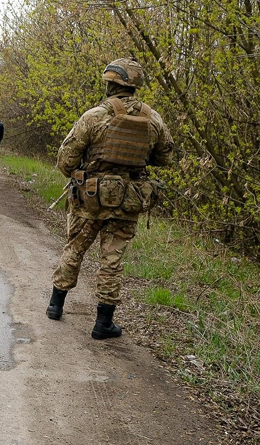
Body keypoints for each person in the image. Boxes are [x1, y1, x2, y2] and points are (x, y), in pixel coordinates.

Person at [47, 59, 173, 338]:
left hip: (89, 198)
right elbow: (165, 157)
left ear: (109, 83)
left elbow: (65, 161)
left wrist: (85, 171)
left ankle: (56, 306)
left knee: (75, 249)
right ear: (135, 86)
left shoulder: (94, 116)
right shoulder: (153, 119)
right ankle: (103, 324)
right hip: (127, 200)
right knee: (112, 260)